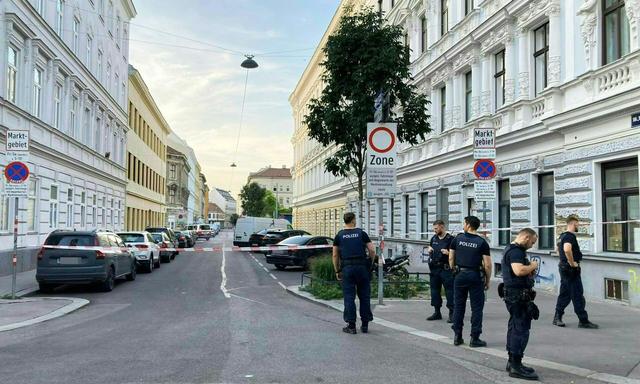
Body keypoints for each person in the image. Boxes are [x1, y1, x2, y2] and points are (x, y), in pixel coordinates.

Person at [502, 228, 540, 381]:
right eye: (532, 242)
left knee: (514, 326)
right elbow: (518, 270)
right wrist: (533, 266)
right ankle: (516, 366)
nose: (531, 245)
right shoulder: (516, 251)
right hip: (517, 296)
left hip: (514, 295)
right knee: (521, 329)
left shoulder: (510, 249)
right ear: (525, 237)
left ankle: (512, 362)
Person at [449, 215, 492, 347]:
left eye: (464, 223)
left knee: (459, 306)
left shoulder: (457, 239)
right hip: (475, 276)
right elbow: (488, 265)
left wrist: (453, 270)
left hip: (460, 275)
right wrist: (488, 280)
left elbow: (451, 258)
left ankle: (457, 336)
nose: (463, 225)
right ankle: (475, 338)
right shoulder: (482, 242)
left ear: (468, 225)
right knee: (477, 308)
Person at [333, 212, 377, 334]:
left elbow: (335, 254)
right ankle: (365, 325)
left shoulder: (339, 236)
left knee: (349, 297)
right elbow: (372, 250)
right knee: (364, 296)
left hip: (347, 268)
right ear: (353, 220)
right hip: (362, 267)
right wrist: (371, 264)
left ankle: (351, 326)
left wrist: (337, 270)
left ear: (344, 221)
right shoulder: (361, 234)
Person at [553, 215, 598, 329]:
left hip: (564, 268)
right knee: (577, 294)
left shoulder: (561, 236)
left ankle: (557, 317)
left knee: (565, 293)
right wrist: (572, 263)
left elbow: (557, 250)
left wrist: (564, 261)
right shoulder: (569, 236)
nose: (578, 226)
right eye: (578, 224)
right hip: (570, 269)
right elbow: (567, 249)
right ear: (573, 223)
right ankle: (583, 320)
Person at [426, 220, 455, 323]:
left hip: (446, 269)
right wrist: (429, 249)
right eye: (434, 228)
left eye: (436, 228)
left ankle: (452, 313)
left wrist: (448, 253)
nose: (434, 230)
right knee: (434, 291)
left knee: (450, 291)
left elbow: (457, 255)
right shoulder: (434, 238)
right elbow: (431, 248)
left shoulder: (451, 239)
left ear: (442, 227)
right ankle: (437, 311)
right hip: (434, 269)